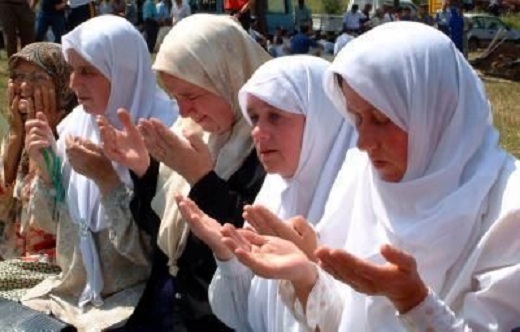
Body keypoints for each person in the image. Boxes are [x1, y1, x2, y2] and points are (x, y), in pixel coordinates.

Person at [219, 21, 520, 330]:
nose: (363, 142)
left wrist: (413, 302)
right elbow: (339, 318)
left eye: (380, 119)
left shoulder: (509, 210)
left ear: (435, 111)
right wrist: (306, 276)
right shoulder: (359, 177)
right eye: (357, 119)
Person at [97, 14, 270, 330]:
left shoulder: (268, 145)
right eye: (176, 98)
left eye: (191, 95)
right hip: (166, 308)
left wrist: (202, 179)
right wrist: (145, 172)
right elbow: (160, 234)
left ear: (227, 77)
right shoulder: (194, 132)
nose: (183, 111)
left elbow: (255, 244)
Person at [22, 16, 177, 330]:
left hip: (134, 298)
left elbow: (149, 257)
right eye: (73, 70)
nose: (73, 84)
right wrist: (48, 168)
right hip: (72, 291)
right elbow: (49, 227)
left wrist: (107, 181)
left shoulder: (166, 135)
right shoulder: (75, 127)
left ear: (123, 73)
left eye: (88, 72)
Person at [187, 55, 356, 332]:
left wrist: (309, 273)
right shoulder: (274, 194)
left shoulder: (356, 206)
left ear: (320, 119)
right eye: (254, 118)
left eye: (276, 116)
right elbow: (246, 316)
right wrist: (229, 257)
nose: (258, 132)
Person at [0, 42, 77, 302]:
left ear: (63, 85)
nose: (24, 87)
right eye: (19, 77)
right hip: (13, 254)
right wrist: (14, 138)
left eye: (38, 78)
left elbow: (47, 222)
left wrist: (45, 146)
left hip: (56, 262)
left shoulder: (74, 137)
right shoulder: (16, 131)